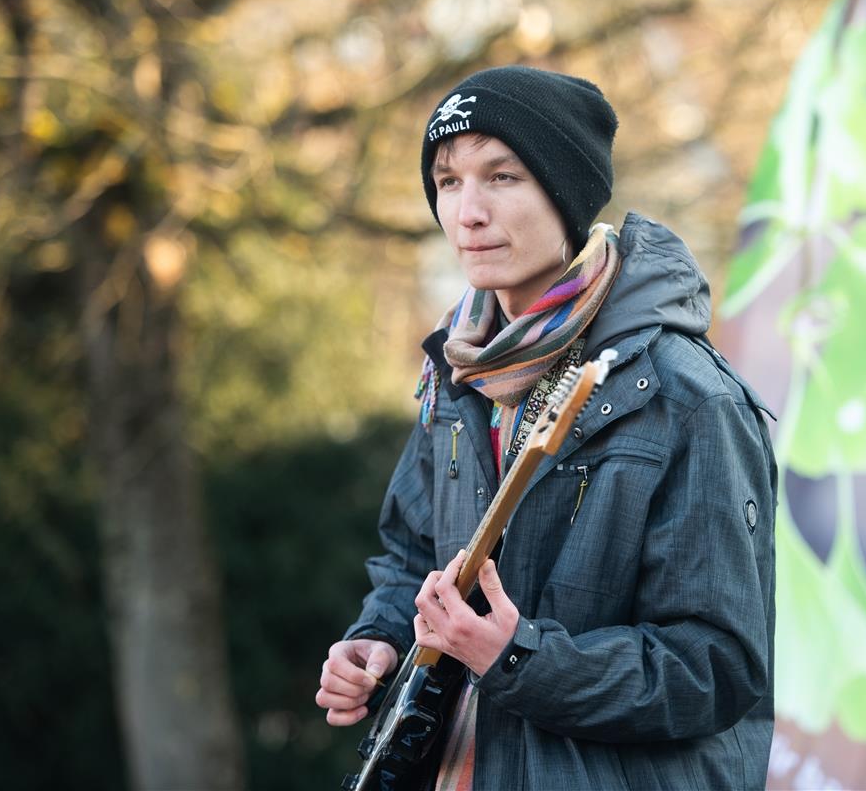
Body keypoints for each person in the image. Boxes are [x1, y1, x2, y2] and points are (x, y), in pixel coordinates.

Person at [316, 65, 778, 790]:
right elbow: (412, 559)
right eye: (448, 181)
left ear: (565, 191)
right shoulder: (457, 372)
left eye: (502, 177)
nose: (467, 213)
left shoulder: (688, 397)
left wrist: (517, 655)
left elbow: (715, 669)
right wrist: (377, 640)